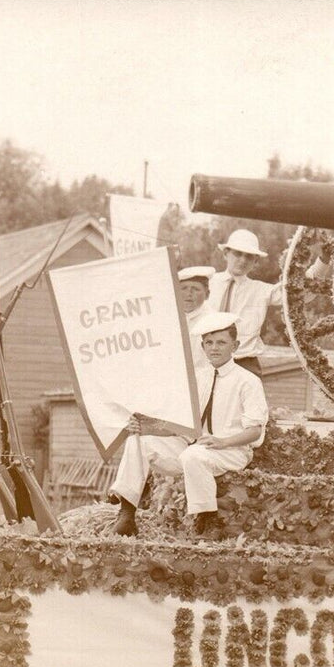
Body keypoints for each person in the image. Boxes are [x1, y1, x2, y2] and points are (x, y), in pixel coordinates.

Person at [109, 311, 268, 537]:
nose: (214, 348)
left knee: (193, 455)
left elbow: (255, 431)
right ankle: (126, 514)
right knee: (140, 442)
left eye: (222, 342)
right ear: (202, 347)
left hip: (231, 450)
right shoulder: (197, 378)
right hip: (192, 447)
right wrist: (144, 427)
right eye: (209, 343)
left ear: (235, 345)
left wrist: (223, 442)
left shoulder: (248, 381)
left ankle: (207, 520)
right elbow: (179, 423)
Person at [212, 228, 281, 377]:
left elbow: (297, 293)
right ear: (226, 254)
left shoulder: (261, 290)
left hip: (245, 364)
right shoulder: (207, 284)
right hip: (208, 362)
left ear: (255, 261)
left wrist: (322, 262)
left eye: (249, 256)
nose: (243, 260)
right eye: (238, 254)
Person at [176, 265, 217, 372]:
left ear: (207, 294)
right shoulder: (169, 316)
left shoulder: (214, 321)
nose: (189, 294)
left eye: (196, 289)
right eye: (183, 288)